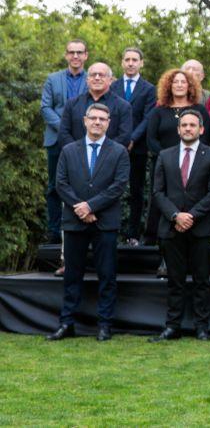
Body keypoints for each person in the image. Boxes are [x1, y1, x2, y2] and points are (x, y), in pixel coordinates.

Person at [46, 103, 131, 342]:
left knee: (107, 275)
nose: (97, 122)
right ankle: (67, 323)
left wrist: (91, 206)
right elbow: (61, 183)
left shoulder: (119, 152)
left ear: (108, 123)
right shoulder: (68, 150)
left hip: (105, 222)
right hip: (75, 221)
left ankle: (104, 325)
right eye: (93, 118)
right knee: (72, 275)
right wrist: (80, 208)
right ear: (84, 121)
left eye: (102, 119)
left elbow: (119, 186)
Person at [149, 109, 210, 342]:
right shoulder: (165, 155)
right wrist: (175, 216)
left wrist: (190, 216)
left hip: (200, 228)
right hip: (171, 227)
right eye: (184, 125)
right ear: (178, 129)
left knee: (202, 281)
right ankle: (172, 327)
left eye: (192, 125)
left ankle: (202, 327)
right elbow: (157, 192)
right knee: (175, 281)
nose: (188, 128)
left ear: (201, 129)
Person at [145, 69, 210, 257]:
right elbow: (151, 139)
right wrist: (168, 159)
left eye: (184, 82)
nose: (180, 85)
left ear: (190, 86)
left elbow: (206, 137)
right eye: (175, 82)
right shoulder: (158, 111)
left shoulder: (200, 110)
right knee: (162, 205)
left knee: (190, 204)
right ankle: (162, 255)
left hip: (194, 168)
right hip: (164, 167)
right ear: (169, 85)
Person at [41, 39, 90, 242]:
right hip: (56, 141)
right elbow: (45, 108)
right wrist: (64, 129)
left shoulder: (93, 78)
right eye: (71, 52)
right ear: (66, 55)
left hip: (84, 140)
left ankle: (81, 229)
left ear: (86, 55)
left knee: (83, 186)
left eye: (79, 52)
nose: (75, 56)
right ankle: (54, 232)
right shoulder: (53, 79)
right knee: (54, 187)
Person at [116, 47, 158, 246]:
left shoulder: (149, 89)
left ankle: (133, 234)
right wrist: (121, 140)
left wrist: (132, 138)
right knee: (112, 189)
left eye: (135, 60)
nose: (131, 63)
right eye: (127, 59)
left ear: (141, 63)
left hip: (138, 147)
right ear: (122, 63)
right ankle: (112, 231)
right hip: (114, 146)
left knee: (136, 191)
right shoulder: (113, 86)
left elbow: (148, 117)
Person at [58, 62, 133, 148]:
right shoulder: (72, 104)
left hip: (110, 155)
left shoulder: (123, 106)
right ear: (87, 80)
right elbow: (63, 133)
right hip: (75, 155)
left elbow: (124, 137)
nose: (97, 78)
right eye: (93, 75)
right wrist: (78, 152)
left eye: (101, 75)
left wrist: (102, 152)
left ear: (110, 80)